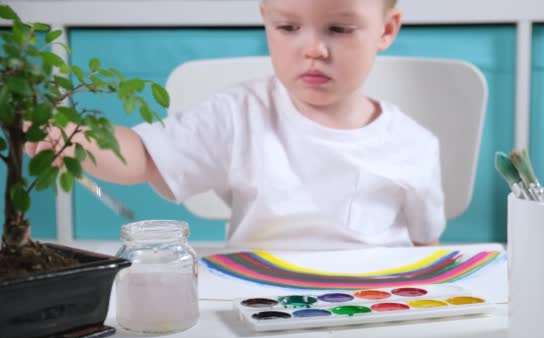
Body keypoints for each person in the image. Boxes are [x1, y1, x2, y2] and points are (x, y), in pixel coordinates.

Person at [26, 0, 445, 249]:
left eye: (339, 28)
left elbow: (426, 249)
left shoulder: (414, 143)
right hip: (257, 299)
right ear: (266, 19)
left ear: (386, 30)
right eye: (287, 27)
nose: (314, 49)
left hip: (372, 306)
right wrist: (77, 138)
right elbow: (142, 156)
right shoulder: (238, 113)